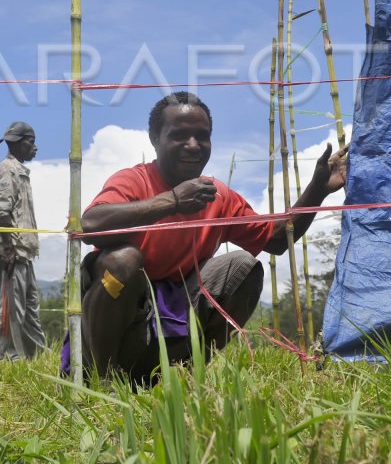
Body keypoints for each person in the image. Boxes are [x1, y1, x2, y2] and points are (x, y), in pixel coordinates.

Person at [73, 91, 347, 383]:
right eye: (179, 135)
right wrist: (172, 201)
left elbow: (277, 239)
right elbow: (90, 224)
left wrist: (318, 189)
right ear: (155, 138)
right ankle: (103, 382)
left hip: (173, 324)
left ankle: (182, 373)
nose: (193, 145)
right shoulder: (133, 180)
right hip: (120, 328)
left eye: (202, 137)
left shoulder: (217, 196)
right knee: (122, 261)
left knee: (242, 265)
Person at [0, 121, 46, 360]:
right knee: (13, 310)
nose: (35, 148)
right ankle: (10, 359)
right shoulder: (8, 169)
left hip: (24, 252)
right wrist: (8, 247)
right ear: (19, 144)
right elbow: (2, 212)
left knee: (30, 308)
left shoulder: (19, 170)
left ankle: (35, 356)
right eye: (31, 142)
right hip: (13, 251)